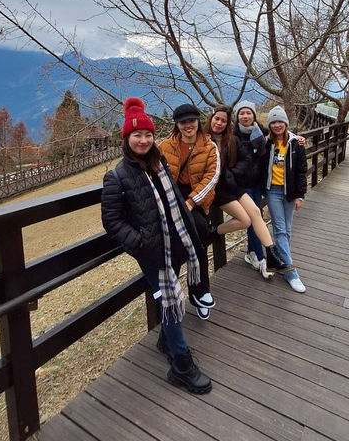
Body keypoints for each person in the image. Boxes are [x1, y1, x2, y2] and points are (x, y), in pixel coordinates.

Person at [101, 97, 212, 393]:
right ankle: (181, 364)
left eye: (148, 134)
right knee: (172, 298)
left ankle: (166, 339)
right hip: (152, 251)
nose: (144, 140)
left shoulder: (159, 162)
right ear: (126, 138)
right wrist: (140, 243)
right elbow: (112, 222)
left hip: (174, 240)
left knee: (170, 297)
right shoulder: (117, 176)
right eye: (137, 135)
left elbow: (174, 197)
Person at [203, 105, 290, 273]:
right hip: (218, 189)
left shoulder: (230, 139)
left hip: (233, 185)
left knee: (256, 213)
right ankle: (213, 232)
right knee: (245, 220)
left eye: (224, 121)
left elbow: (276, 137)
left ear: (228, 123)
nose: (219, 123)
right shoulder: (203, 139)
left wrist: (296, 138)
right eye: (217, 119)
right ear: (211, 118)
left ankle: (271, 254)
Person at [158, 103, 219, 320]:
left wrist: (192, 202)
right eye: (183, 122)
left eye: (191, 121)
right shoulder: (166, 146)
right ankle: (199, 292)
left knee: (198, 229)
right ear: (177, 124)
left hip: (195, 197)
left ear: (198, 122)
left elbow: (211, 177)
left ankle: (195, 291)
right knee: (190, 239)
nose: (188, 126)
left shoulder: (209, 147)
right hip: (172, 197)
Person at [263, 105, 308, 293]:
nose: (277, 125)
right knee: (280, 230)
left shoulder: (296, 143)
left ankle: (281, 261)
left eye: (280, 121)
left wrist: (300, 195)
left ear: (286, 123)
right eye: (273, 122)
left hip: (289, 192)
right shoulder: (266, 143)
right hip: (273, 191)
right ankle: (291, 273)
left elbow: (301, 171)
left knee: (287, 230)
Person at [233, 100, 270, 277]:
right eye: (242, 113)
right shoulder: (232, 136)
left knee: (255, 217)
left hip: (257, 183)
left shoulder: (262, 133)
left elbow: (282, 134)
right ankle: (261, 258)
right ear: (237, 116)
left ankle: (251, 252)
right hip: (241, 185)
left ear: (254, 115)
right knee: (255, 218)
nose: (245, 116)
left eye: (248, 113)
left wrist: (297, 139)